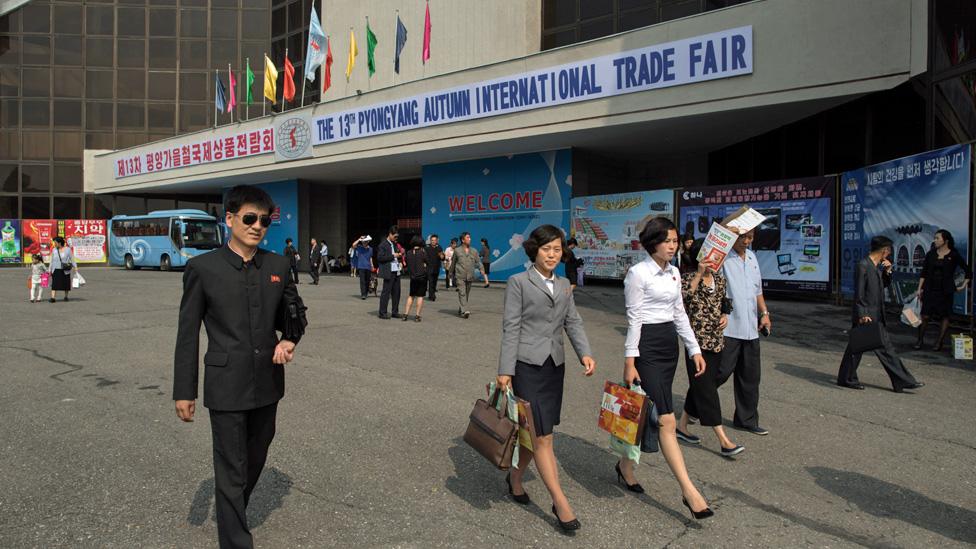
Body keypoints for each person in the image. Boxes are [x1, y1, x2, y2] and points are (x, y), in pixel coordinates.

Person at [173, 185, 305, 549]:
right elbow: (187, 334)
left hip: (268, 383)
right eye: (249, 218)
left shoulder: (278, 265)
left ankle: (233, 510)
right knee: (231, 466)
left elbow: (294, 315)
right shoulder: (202, 269)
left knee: (256, 454)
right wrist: (184, 391)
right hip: (225, 384)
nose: (257, 225)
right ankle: (235, 540)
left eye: (264, 220)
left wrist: (288, 340)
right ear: (229, 219)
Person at [495, 224, 596, 532]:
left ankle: (514, 478)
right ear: (533, 250)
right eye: (546, 249)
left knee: (536, 432)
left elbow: (572, 321)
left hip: (554, 366)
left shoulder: (565, 284)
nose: (552, 254)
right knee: (542, 437)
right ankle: (560, 500)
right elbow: (511, 326)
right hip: (526, 366)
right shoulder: (518, 282)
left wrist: (585, 352)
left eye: (557, 249)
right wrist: (505, 370)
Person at [617, 216, 713, 520]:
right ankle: (689, 491)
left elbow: (679, 313)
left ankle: (624, 466)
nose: (673, 246)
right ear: (652, 242)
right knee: (667, 421)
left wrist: (694, 348)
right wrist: (630, 361)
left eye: (675, 241)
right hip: (646, 347)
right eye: (667, 241)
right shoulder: (638, 273)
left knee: (645, 411)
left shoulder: (674, 273)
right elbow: (633, 319)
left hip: (668, 345)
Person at [675, 238, 743, 457]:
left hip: (716, 341)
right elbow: (684, 299)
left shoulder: (719, 280)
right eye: (710, 256)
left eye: (717, 257)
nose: (714, 261)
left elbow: (725, 301)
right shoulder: (686, 279)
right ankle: (723, 440)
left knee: (704, 385)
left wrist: (725, 315)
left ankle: (682, 426)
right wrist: (698, 274)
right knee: (707, 389)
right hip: (695, 343)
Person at [838, 236, 924, 393]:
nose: (890, 253)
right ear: (884, 250)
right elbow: (859, 292)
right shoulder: (863, 265)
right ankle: (902, 381)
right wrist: (862, 313)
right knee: (868, 348)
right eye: (889, 250)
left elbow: (883, 285)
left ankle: (847, 378)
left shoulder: (875, 266)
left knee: (862, 348)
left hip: (876, 314)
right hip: (867, 315)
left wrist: (888, 271)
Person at [717, 228, 770, 436]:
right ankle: (695, 405)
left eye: (750, 237)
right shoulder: (722, 258)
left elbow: (758, 290)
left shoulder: (752, 257)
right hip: (729, 327)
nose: (747, 241)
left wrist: (764, 313)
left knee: (750, 377)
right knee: (720, 373)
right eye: (743, 237)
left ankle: (746, 419)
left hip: (751, 329)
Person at [915, 229, 971, 351]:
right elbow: (924, 273)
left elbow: (968, 271)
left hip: (945, 291)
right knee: (925, 316)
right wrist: (919, 289)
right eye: (934, 238)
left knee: (945, 316)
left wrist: (962, 285)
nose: (935, 240)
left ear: (945, 241)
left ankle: (939, 342)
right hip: (930, 288)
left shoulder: (953, 255)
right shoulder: (931, 254)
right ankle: (920, 340)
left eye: (937, 238)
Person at [451, 232, 489, 318]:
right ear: (463, 240)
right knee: (462, 293)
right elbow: (453, 263)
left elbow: (478, 262)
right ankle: (464, 311)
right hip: (460, 276)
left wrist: (482, 269)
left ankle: (461, 308)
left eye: (470, 237)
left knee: (466, 293)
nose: (470, 239)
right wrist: (450, 273)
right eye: (468, 237)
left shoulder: (474, 251)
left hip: (470, 276)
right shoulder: (457, 250)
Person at [376, 226, 403, 319]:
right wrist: (393, 255)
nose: (396, 238)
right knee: (386, 293)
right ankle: (382, 312)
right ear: (390, 234)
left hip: (396, 270)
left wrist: (399, 255)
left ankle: (395, 312)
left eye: (397, 237)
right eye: (395, 236)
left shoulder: (395, 244)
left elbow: (398, 254)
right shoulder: (383, 245)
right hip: (388, 271)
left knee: (397, 292)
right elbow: (380, 258)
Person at [402, 236, 428, 322]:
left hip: (413, 277)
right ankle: (417, 316)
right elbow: (427, 262)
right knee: (420, 296)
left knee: (411, 296)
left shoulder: (409, 252)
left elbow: (407, 262)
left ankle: (405, 314)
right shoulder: (423, 252)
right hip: (422, 277)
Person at [48, 236, 73, 303]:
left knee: (66, 284)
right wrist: (49, 269)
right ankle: (53, 298)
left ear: (60, 243)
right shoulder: (54, 250)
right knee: (54, 284)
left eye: (55, 242)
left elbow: (72, 259)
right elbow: (52, 260)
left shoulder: (68, 249)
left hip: (65, 269)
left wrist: (75, 267)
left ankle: (66, 296)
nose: (54, 244)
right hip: (55, 269)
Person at [425, 234, 444, 302]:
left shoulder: (439, 247)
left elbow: (442, 257)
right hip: (429, 268)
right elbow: (424, 257)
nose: (433, 241)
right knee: (431, 281)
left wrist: (442, 257)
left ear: (437, 241)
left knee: (435, 282)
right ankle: (431, 295)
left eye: (434, 240)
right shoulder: (427, 248)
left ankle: (432, 293)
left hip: (436, 268)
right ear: (430, 241)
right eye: (432, 240)